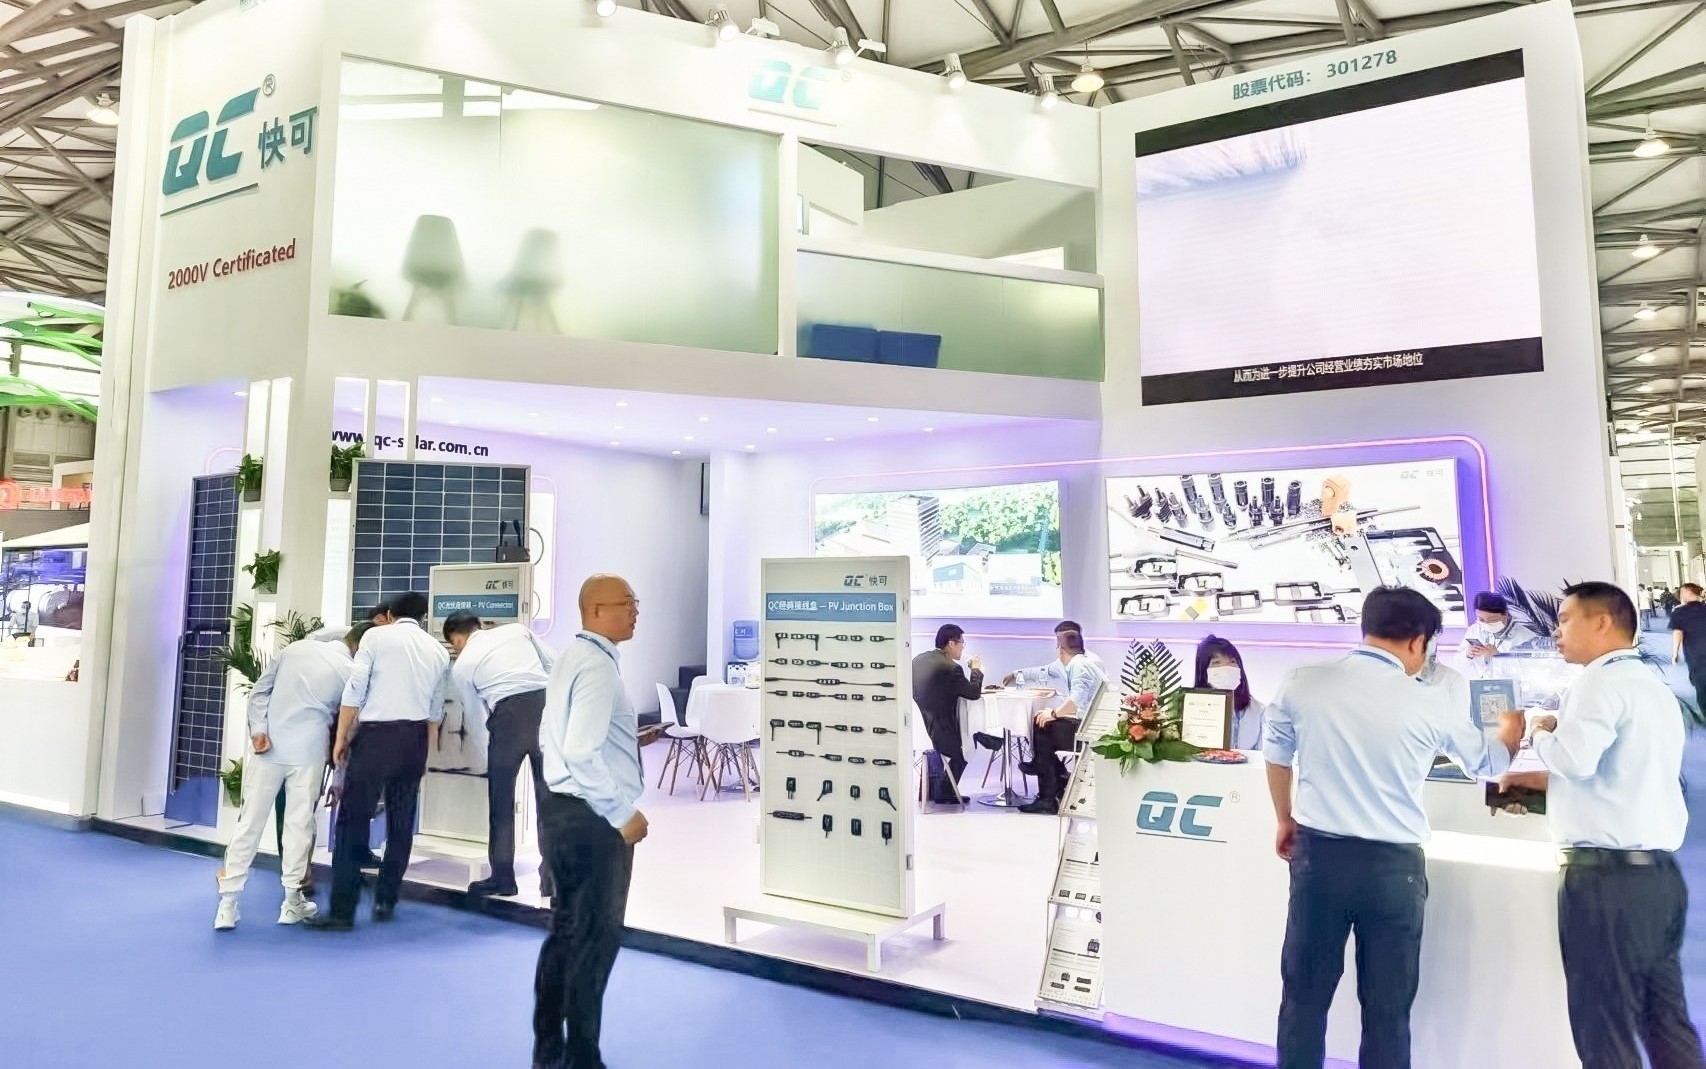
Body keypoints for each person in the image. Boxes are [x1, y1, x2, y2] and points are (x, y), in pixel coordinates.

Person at [1262, 586, 1521, 1068]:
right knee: (1387, 1010)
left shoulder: (1303, 681)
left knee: (1303, 998)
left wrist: (1284, 818)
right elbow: (1488, 763)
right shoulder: (1431, 701)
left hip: (1319, 857)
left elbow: (1276, 754)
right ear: (1418, 642)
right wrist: (1511, 731)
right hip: (1393, 868)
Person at [1528, 582, 1704, 1069]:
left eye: (1566, 620)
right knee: (1664, 1021)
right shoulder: (1652, 687)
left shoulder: (1598, 682)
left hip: (1605, 882)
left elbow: (1574, 760)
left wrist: (1539, 732)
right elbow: (1624, 777)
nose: (1557, 631)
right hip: (1657, 878)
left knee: (1603, 1027)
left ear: (1602, 622)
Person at [535, 575, 647, 1069]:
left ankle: (549, 1051)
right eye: (627, 603)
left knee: (565, 932)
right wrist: (623, 815)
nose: (636, 611)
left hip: (562, 813)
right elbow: (581, 752)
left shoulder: (571, 658)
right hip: (594, 820)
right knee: (595, 941)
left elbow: (554, 739)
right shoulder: (598, 668)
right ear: (596, 611)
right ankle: (582, 1057)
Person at [304, 591, 449, 931]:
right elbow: (435, 709)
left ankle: (342, 912)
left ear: (390, 614)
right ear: (423, 617)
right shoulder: (438, 650)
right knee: (402, 822)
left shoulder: (376, 637)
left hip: (377, 738)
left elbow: (355, 689)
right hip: (415, 739)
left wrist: (341, 738)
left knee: (353, 820)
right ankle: (386, 900)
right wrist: (424, 754)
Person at [214, 623, 368, 930]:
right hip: (310, 752)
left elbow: (259, 692)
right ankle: (291, 902)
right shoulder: (352, 672)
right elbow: (348, 728)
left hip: (269, 748)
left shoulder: (293, 650)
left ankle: (227, 906)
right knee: (299, 826)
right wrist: (339, 778)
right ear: (360, 648)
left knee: (248, 825)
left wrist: (259, 730)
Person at [444, 610, 558, 899]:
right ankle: (553, 879)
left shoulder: (462, 666)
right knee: (550, 801)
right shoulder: (517, 630)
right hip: (547, 708)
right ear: (479, 625)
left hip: (507, 719)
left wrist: (490, 758)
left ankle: (503, 879)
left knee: (502, 805)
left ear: (457, 639)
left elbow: (475, 718)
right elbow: (553, 663)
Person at [1019, 629, 1100, 815]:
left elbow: (1076, 700)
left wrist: (1054, 713)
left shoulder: (1079, 666)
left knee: (1043, 724)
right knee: (1043, 720)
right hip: (1088, 723)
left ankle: (1048, 795)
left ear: (1061, 650)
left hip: (1087, 731)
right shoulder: (1084, 663)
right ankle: (1055, 776)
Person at [911, 624, 984, 804]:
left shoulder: (918, 660)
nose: (962, 648)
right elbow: (974, 693)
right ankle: (945, 791)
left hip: (918, 727)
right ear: (951, 643)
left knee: (974, 733)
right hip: (941, 733)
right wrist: (976, 669)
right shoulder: (951, 668)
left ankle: (938, 790)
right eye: (962, 643)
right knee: (973, 735)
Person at [1194, 634, 1264, 750]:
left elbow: (1263, 755)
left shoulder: (1259, 711)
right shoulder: (1191, 709)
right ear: (1203, 672)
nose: (1227, 668)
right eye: (1217, 662)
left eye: (1232, 661)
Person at [1001, 619, 1107, 690]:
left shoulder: (1092, 662)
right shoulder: (1062, 662)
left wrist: (1054, 713)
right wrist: (1015, 674)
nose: (1059, 645)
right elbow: (1044, 671)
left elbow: (1081, 700)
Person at [1458, 592, 1539, 679]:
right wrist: (1467, 654)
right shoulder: (1474, 630)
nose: (1486, 624)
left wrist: (1498, 656)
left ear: (1506, 614)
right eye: (1481, 619)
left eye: (1492, 620)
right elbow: (1457, 666)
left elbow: (1531, 672)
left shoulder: (1526, 637)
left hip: (1512, 686)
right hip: (1479, 685)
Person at [1669, 583, 1706, 712]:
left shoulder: (1679, 612)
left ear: (1687, 594)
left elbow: (1678, 633)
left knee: (1701, 685)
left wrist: (1675, 653)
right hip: (1697, 655)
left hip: (1696, 655)